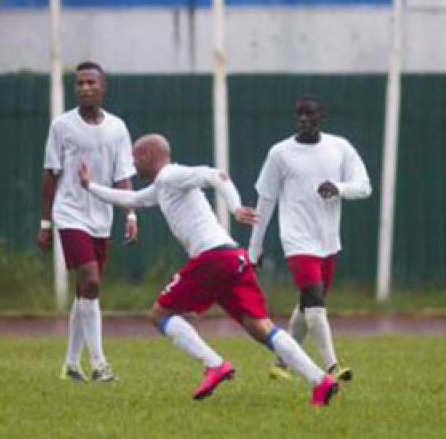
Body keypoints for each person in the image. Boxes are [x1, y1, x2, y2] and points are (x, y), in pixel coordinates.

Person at [79, 134, 340, 406]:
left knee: (160, 314)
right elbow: (131, 198)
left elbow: (217, 175)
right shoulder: (162, 185)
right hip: (231, 256)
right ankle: (320, 380)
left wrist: (235, 206)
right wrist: (90, 186)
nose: (133, 164)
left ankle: (214, 364)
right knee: (260, 327)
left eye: (135, 157)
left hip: (211, 258)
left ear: (148, 155)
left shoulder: (171, 175)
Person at [249, 96, 371, 382]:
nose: (303, 119)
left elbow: (364, 187)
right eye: (299, 114)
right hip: (296, 239)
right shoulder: (279, 153)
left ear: (322, 116)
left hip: (328, 240)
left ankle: (281, 361)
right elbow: (265, 201)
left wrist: (338, 188)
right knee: (315, 299)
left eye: (310, 114)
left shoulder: (339, 147)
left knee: (307, 304)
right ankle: (332, 366)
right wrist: (254, 248)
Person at [38, 61, 137, 382]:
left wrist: (130, 213)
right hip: (69, 214)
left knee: (85, 291)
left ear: (103, 86)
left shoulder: (117, 128)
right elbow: (50, 174)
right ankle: (99, 364)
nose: (84, 88)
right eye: (79, 83)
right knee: (92, 282)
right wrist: (45, 224)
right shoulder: (62, 126)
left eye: (91, 83)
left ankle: (70, 363)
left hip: (102, 215)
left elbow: (122, 175)